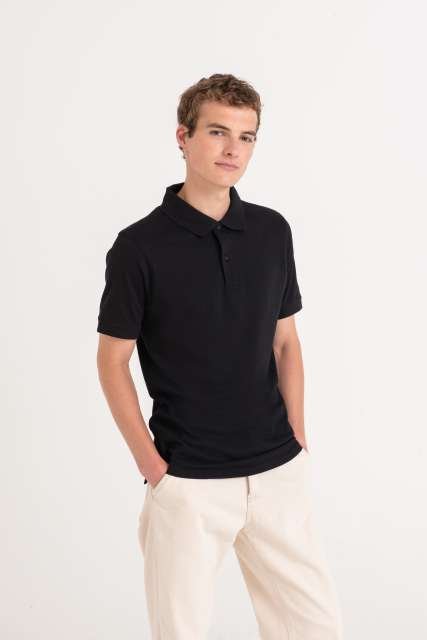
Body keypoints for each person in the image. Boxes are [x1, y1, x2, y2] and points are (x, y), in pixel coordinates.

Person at [96, 73, 343, 639]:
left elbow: (286, 341)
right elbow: (112, 361)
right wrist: (153, 467)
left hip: (277, 471)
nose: (233, 149)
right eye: (217, 132)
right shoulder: (138, 247)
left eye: (246, 136)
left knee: (316, 628)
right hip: (188, 481)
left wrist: (298, 438)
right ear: (183, 137)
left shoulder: (271, 231)